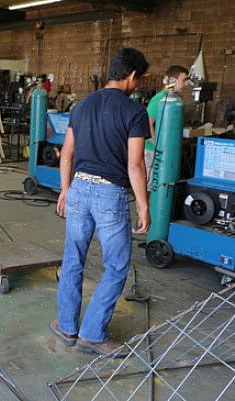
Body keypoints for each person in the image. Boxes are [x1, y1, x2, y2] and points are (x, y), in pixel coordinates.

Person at [51, 48, 151, 357]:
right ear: (132, 75)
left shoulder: (82, 105)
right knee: (117, 264)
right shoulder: (134, 111)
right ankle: (92, 334)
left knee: (73, 258)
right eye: (139, 78)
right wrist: (144, 205)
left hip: (79, 187)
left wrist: (65, 189)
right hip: (109, 193)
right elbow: (135, 165)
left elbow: (66, 153)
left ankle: (67, 327)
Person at [145, 65, 189, 181]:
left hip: (164, 150)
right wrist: (158, 147)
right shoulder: (160, 98)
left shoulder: (175, 100)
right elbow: (147, 123)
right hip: (152, 151)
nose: (186, 84)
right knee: (150, 188)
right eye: (184, 80)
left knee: (163, 184)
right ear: (173, 80)